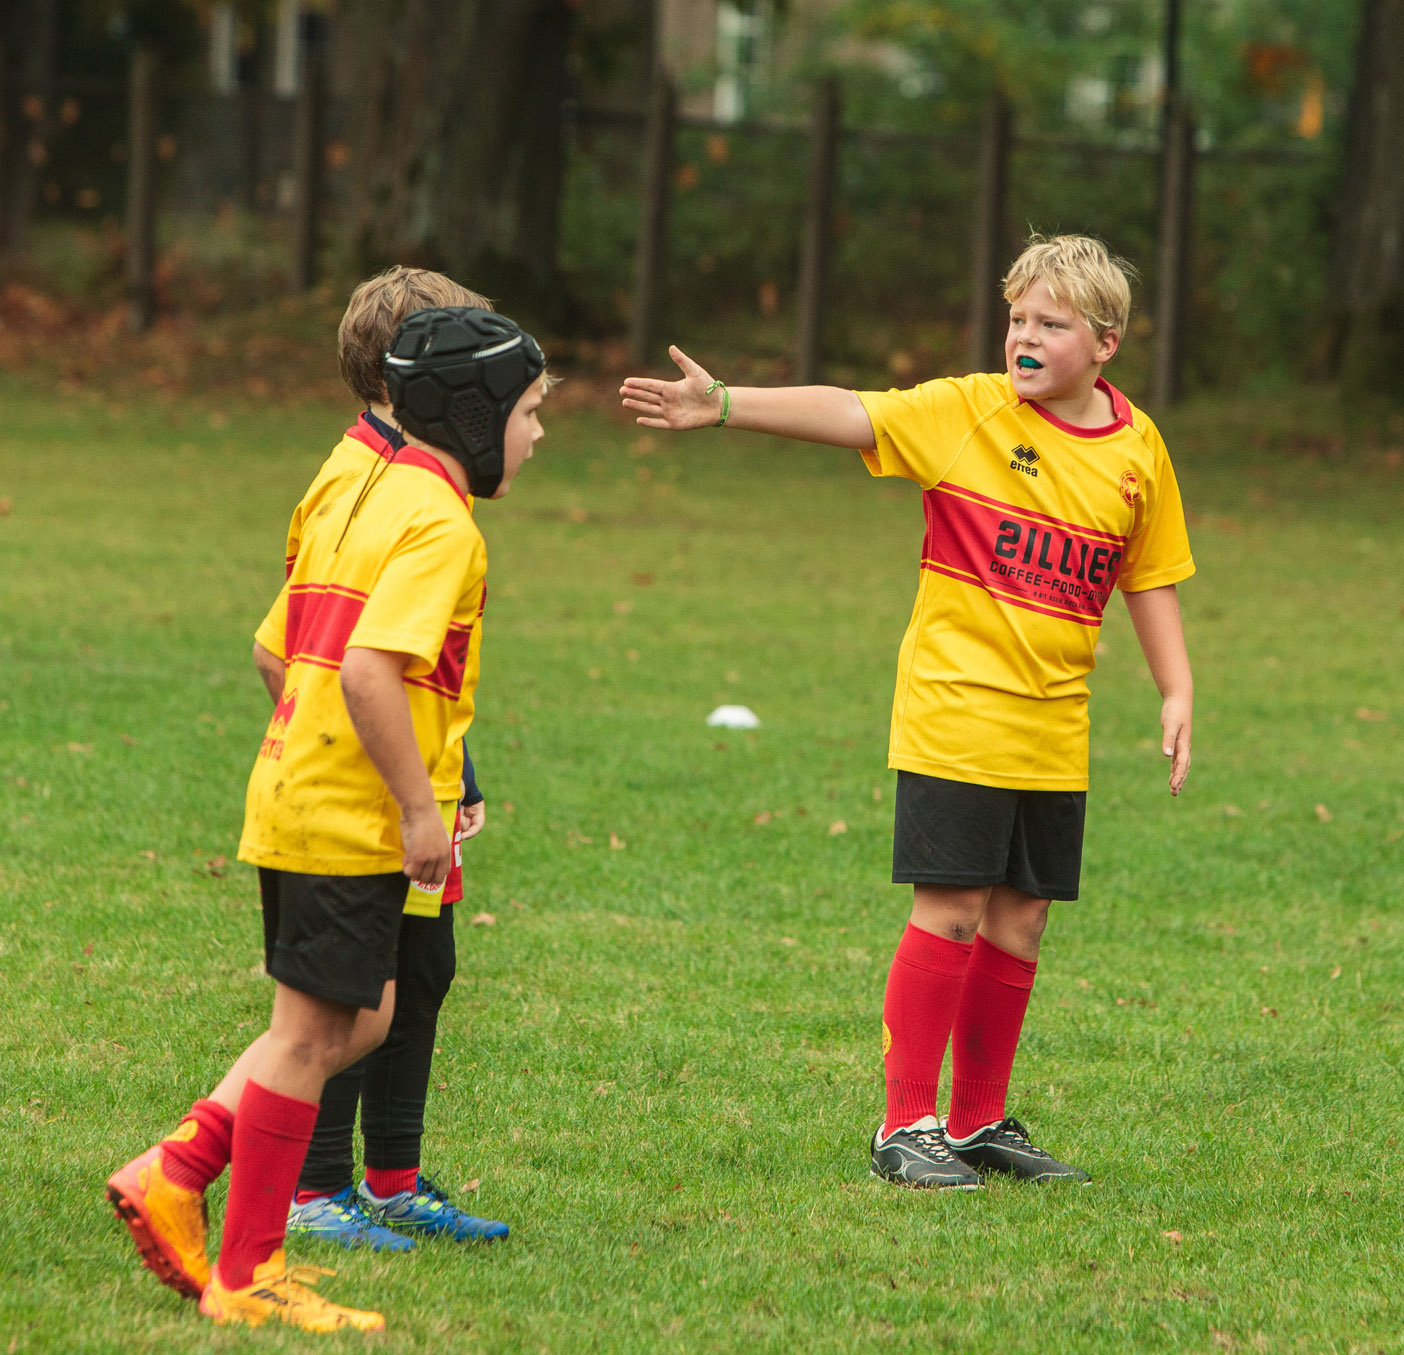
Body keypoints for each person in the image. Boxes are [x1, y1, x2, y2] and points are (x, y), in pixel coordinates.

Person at [621, 234, 1194, 1190]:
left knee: (1021, 919)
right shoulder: (966, 412)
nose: (1025, 336)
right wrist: (723, 403)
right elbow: (850, 410)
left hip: (1056, 722)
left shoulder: (1138, 447)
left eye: (1051, 324)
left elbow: (1151, 572)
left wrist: (1176, 687)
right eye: (1017, 318)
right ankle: (905, 1123)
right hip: (955, 708)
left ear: (1106, 343)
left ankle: (976, 1121)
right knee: (955, 909)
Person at [106, 301, 548, 1332]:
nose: (540, 433)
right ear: (478, 416)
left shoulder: (370, 490)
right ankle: (241, 1257)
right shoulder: (441, 523)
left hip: (298, 792)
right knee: (310, 1037)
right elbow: (366, 670)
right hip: (347, 815)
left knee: (355, 1020)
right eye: (531, 411)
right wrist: (418, 806)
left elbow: (278, 646)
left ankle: (189, 1176)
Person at [264, 269, 515, 1254]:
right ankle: (316, 1183)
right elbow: (304, 651)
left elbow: (410, 662)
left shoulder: (410, 474)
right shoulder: (364, 479)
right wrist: (371, 764)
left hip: (413, 784)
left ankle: (393, 1178)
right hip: (366, 800)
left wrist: (457, 768)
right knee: (355, 997)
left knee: (421, 969)